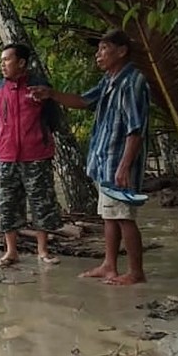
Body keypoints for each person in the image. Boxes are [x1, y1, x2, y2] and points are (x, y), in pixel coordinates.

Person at [29, 29, 150, 286]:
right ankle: (109, 265)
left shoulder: (132, 82)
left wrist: (125, 165)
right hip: (104, 161)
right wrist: (51, 94)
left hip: (118, 162)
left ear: (121, 51)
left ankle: (136, 272)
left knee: (124, 216)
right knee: (109, 215)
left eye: (104, 49)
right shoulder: (109, 80)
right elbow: (84, 101)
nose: (98, 55)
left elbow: (135, 129)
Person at [0, 43, 63, 267]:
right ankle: (11, 251)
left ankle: (43, 251)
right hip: (7, 155)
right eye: (1, 60)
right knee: (7, 204)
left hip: (36, 155)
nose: (2, 64)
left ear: (21, 63)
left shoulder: (39, 87)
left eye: (7, 59)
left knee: (41, 202)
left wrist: (39, 138)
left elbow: (54, 119)